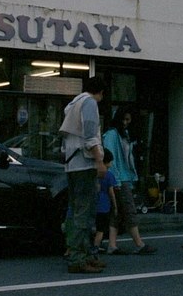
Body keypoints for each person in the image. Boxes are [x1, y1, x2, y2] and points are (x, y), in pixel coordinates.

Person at [60, 76, 108, 273]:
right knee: (84, 213)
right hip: (85, 163)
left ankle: (83, 253)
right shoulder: (89, 103)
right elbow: (90, 136)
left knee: (76, 211)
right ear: (101, 92)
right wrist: (99, 161)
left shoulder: (73, 104)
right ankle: (79, 258)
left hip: (72, 164)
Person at [102, 107, 157, 255]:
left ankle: (112, 245)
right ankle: (139, 243)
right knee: (129, 210)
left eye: (128, 120)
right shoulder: (112, 135)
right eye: (124, 119)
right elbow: (111, 158)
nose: (126, 122)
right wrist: (116, 180)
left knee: (117, 212)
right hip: (120, 178)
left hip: (124, 177)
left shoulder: (123, 134)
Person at [93, 149, 117, 255]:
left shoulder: (94, 174)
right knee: (101, 230)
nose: (111, 164)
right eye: (110, 162)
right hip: (104, 207)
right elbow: (111, 192)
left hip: (94, 205)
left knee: (93, 227)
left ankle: (90, 246)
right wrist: (115, 206)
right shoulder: (109, 175)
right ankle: (96, 247)